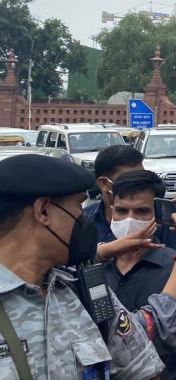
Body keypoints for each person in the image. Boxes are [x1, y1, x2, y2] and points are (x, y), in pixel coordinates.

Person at [0, 154, 165, 379]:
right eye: (79, 206)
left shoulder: (87, 291)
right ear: (43, 210)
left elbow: (143, 372)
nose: (84, 220)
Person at [103, 170, 176, 380]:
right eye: (121, 210)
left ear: (159, 215)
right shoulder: (92, 269)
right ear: (111, 210)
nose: (129, 220)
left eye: (142, 211)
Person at [85, 144, 176, 250]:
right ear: (104, 183)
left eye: (142, 211)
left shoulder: (163, 222)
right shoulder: (83, 221)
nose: (139, 183)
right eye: (128, 179)